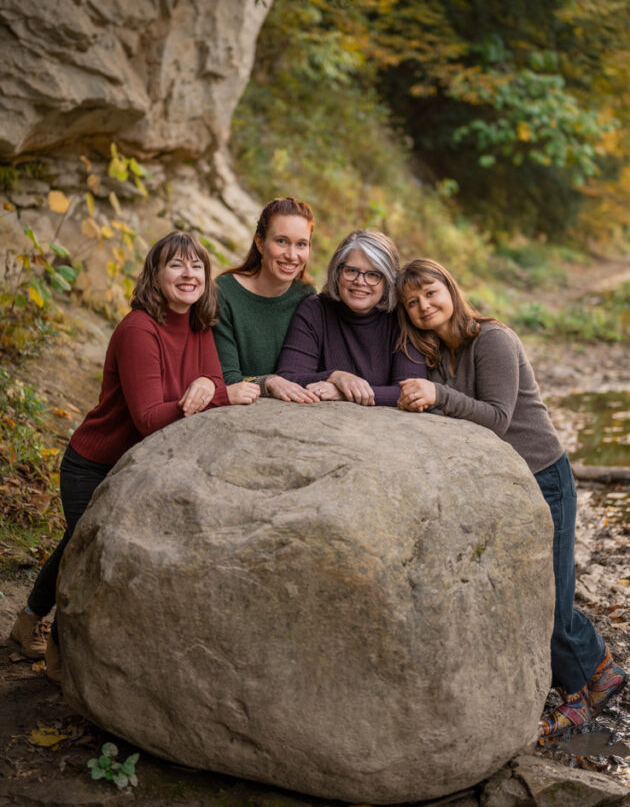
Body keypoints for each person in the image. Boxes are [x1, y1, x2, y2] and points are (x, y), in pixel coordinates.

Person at [395, 257, 626, 740]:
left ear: (451, 289)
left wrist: (437, 395)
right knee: (535, 591)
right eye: (411, 302)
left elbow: (498, 417)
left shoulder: (491, 339)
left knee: (555, 600)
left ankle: (586, 691)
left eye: (430, 293)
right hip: (503, 485)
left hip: (543, 475)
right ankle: (594, 674)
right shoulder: (440, 352)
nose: (423, 306)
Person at [9, 232, 231, 684]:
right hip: (94, 463)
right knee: (86, 553)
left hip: (142, 467)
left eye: (197, 267)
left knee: (77, 544)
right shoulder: (138, 329)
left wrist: (210, 387)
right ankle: (58, 647)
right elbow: (150, 418)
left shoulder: (198, 325)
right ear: (155, 274)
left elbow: (216, 385)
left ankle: (28, 618)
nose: (188, 275)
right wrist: (210, 393)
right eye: (176, 265)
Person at [276, 229, 427, 406]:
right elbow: (287, 379)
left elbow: (412, 391)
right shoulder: (315, 310)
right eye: (351, 270)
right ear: (337, 272)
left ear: (387, 281)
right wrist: (336, 377)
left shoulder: (401, 318)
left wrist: (344, 393)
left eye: (373, 275)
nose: (360, 282)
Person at [213, 197, 319, 404]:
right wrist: (269, 382)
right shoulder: (224, 293)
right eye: (281, 241)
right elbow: (227, 377)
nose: (291, 255)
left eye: (301, 244)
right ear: (260, 243)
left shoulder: (306, 295)